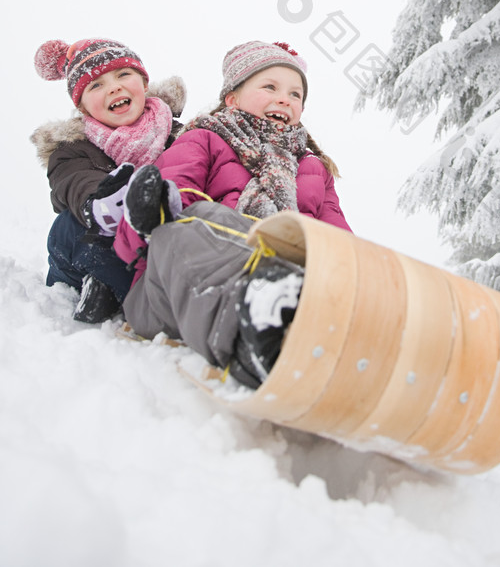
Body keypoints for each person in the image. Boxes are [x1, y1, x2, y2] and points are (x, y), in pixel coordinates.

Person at [114, 40, 352, 388]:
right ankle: (256, 332)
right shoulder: (204, 139)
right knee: (200, 219)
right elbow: (156, 216)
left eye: (295, 94)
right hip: (169, 290)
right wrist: (151, 208)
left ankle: (328, 322)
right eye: (269, 87)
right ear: (232, 98)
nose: (285, 98)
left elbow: (339, 238)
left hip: (295, 285)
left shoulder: (313, 168)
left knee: (325, 253)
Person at [31, 38, 186, 324]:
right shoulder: (73, 149)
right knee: (69, 227)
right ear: (83, 107)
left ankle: (125, 290)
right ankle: (93, 283)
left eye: (123, 74)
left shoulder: (180, 136)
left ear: (143, 83)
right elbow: (75, 181)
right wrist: (102, 200)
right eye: (96, 85)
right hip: (100, 243)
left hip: (158, 249)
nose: (114, 87)